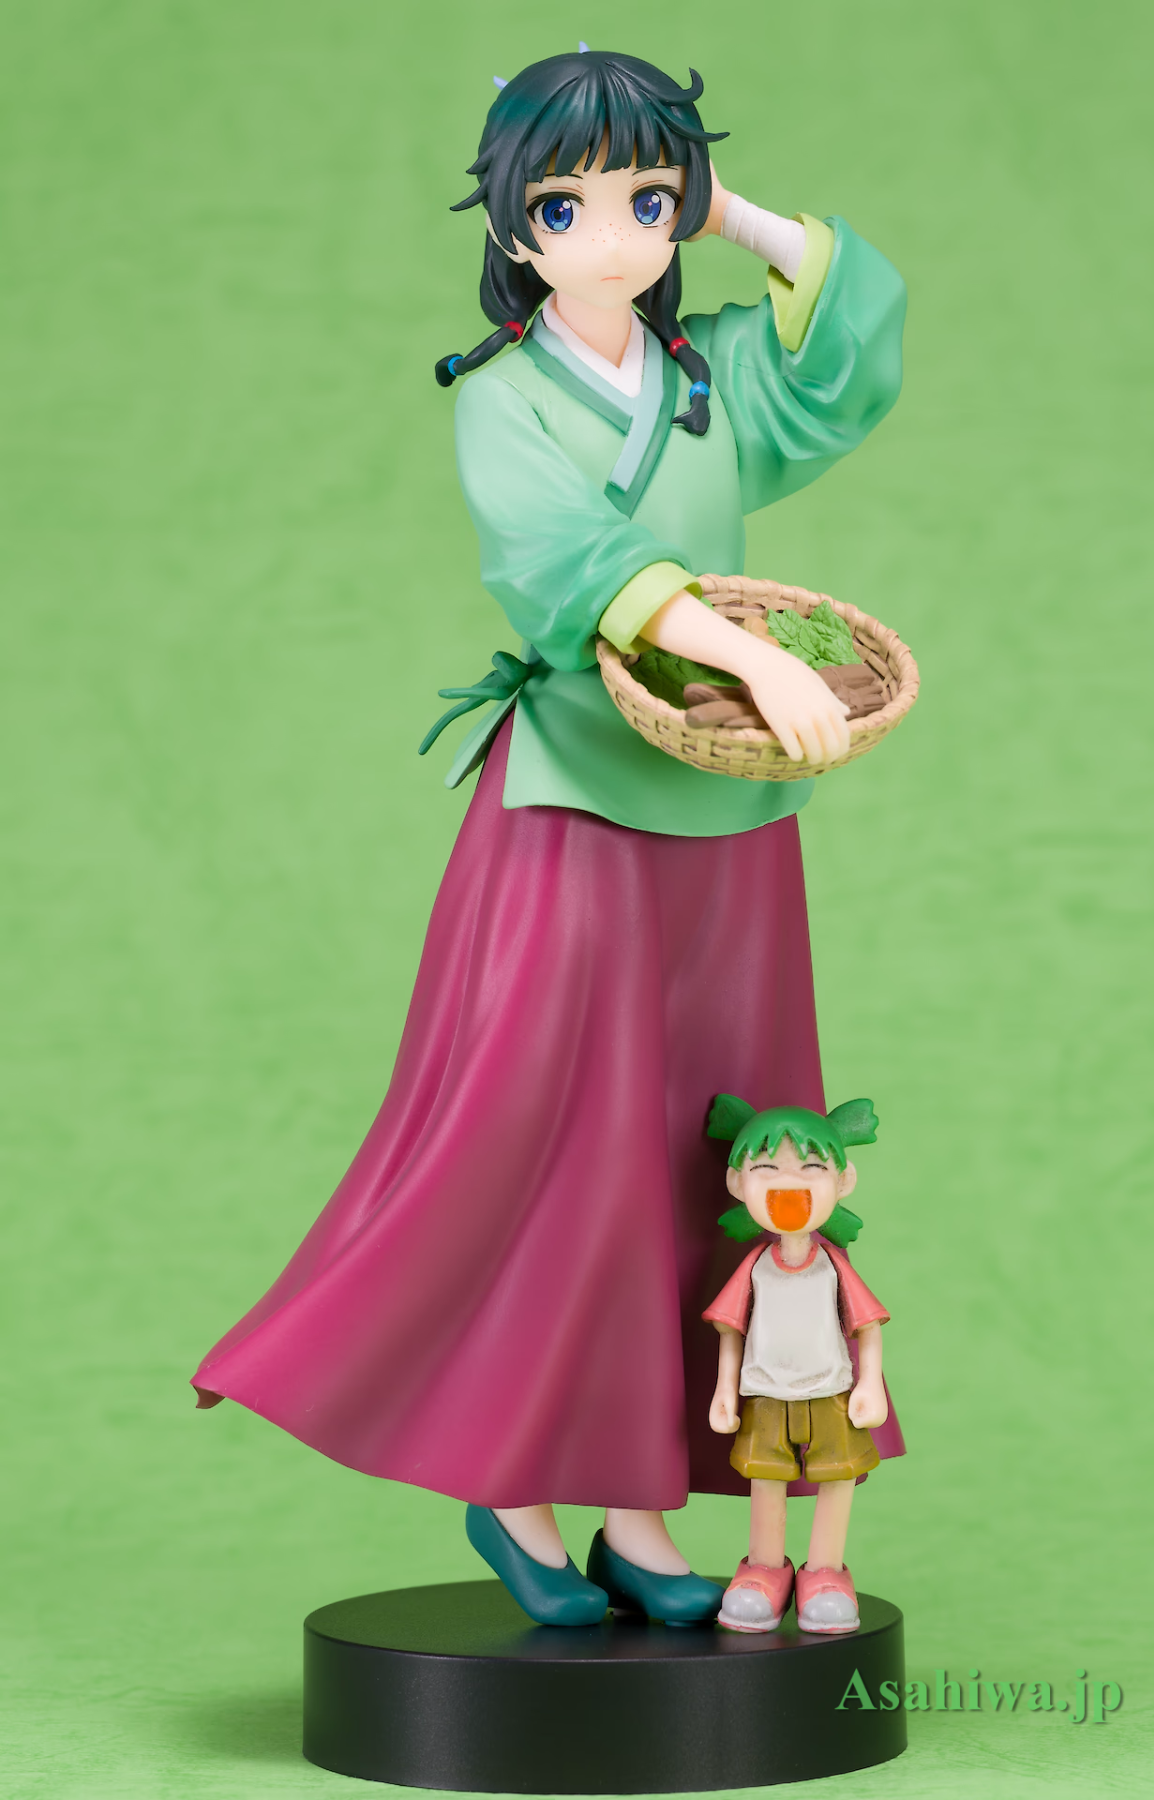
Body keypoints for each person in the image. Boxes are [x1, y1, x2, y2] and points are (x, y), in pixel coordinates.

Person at [192, 48, 907, 1628]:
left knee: (698, 1152)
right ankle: (511, 1484)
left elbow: (845, 362)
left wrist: (743, 220)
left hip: (727, 811)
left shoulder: (712, 376)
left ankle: (639, 1513)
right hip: (576, 803)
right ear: (517, 224)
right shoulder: (502, 397)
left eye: (651, 198)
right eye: (571, 204)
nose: (616, 234)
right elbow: (563, 557)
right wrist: (746, 656)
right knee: (554, 1147)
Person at [703, 1094, 899, 1633]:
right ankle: (765, 1568)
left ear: (844, 1181)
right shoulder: (755, 1268)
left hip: (830, 1392)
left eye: (812, 1168)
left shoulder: (832, 1266)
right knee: (766, 1481)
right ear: (737, 1183)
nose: (789, 1184)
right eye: (766, 1169)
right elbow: (731, 1331)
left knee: (839, 1478)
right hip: (765, 1394)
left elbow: (867, 1326)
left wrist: (870, 1384)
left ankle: (825, 1572)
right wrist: (724, 1391)